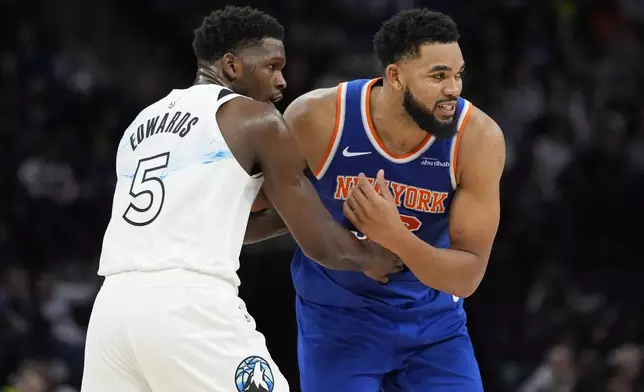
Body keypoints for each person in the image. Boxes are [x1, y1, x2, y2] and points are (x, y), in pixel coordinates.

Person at [80, 6, 400, 392]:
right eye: (271, 66)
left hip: (112, 311)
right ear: (232, 66)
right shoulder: (255, 119)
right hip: (188, 307)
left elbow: (213, 227)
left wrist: (293, 216)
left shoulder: (141, 124)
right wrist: (372, 256)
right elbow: (325, 246)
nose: (282, 81)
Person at [282, 8, 506, 391]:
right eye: (438, 76)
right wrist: (355, 249)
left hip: (434, 325)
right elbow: (269, 210)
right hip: (338, 320)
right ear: (396, 76)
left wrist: (393, 234)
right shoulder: (318, 118)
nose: (454, 88)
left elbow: (468, 275)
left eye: (458, 74)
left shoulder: (477, 138)